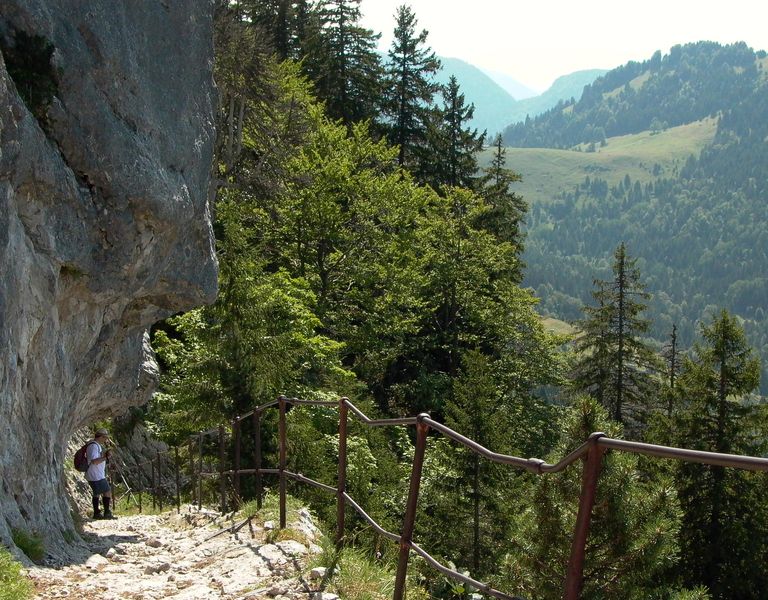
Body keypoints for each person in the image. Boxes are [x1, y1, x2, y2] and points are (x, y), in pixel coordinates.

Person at [85, 429, 114, 519]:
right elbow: (94, 461)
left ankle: (97, 513)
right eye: (105, 437)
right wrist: (106, 457)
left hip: (95, 474)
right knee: (107, 491)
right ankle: (106, 512)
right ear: (101, 437)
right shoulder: (93, 446)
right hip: (95, 474)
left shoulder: (96, 445)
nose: (106, 440)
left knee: (97, 493)